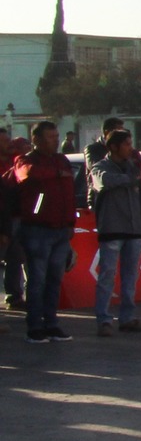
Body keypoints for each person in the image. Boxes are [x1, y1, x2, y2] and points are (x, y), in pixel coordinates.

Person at [13, 122, 76, 342]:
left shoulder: (62, 160)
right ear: (37, 140)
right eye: (50, 137)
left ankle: (51, 323)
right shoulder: (26, 160)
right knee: (37, 279)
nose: (56, 140)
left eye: (57, 136)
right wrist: (55, 174)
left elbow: (69, 194)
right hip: (37, 230)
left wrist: (70, 224)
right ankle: (34, 326)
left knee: (54, 279)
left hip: (61, 230)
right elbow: (26, 175)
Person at [89, 129, 141, 334]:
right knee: (107, 275)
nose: (130, 148)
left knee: (130, 277)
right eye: (126, 144)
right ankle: (104, 320)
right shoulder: (100, 167)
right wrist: (128, 179)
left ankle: (127, 317)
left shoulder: (134, 168)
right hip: (112, 229)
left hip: (134, 230)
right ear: (113, 147)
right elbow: (104, 181)